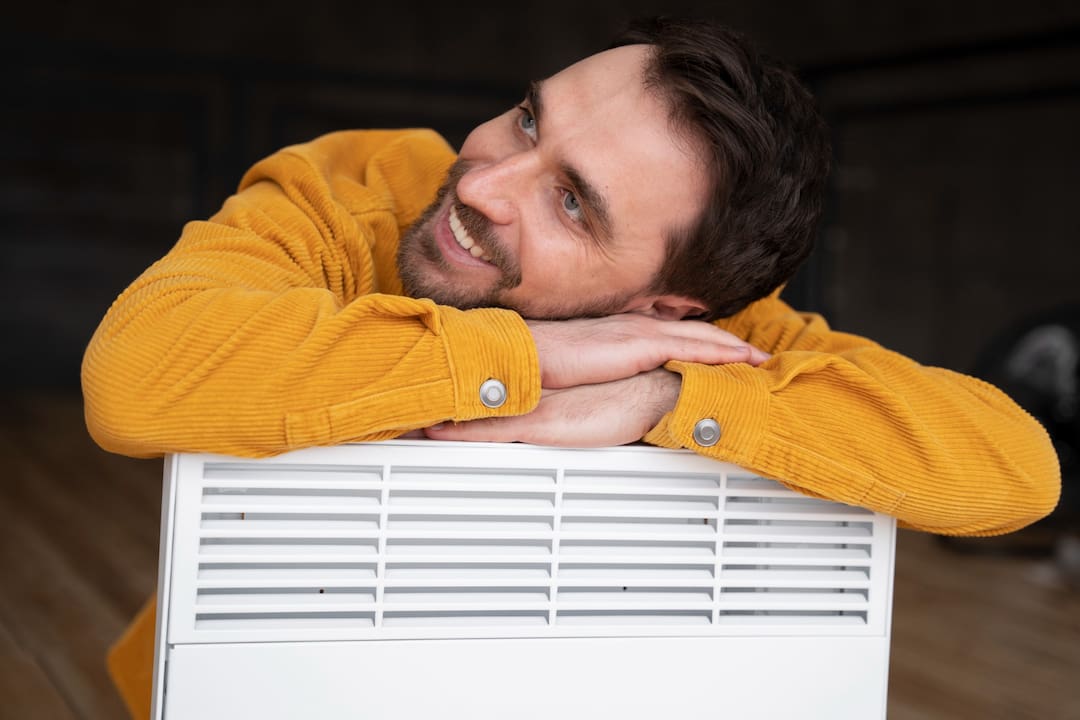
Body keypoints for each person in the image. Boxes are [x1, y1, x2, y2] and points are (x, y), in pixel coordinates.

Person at [82, 17, 1060, 719]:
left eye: (575, 205)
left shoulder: (721, 336)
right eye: (526, 119)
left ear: (664, 306)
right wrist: (534, 356)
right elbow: (140, 376)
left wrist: (666, 395)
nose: (486, 181)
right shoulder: (360, 193)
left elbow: (1017, 469)